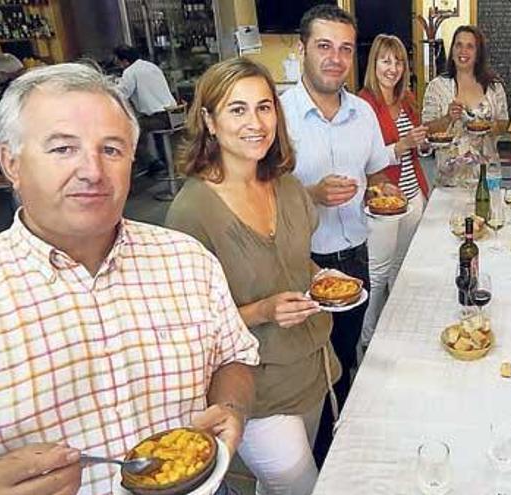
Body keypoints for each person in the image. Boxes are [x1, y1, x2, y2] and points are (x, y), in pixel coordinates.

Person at [0, 63, 258, 495]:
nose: (92, 172)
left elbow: (234, 357)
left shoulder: (186, 260)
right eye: (63, 149)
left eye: (112, 150)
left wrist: (230, 407)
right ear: (11, 163)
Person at [165, 58, 338, 495]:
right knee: (302, 485)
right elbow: (191, 328)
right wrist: (263, 310)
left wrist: (323, 277)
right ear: (208, 120)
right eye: (237, 109)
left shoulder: (286, 185)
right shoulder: (191, 212)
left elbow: (297, 263)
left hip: (312, 365)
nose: (255, 122)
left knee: (281, 483)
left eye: (264, 107)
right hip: (255, 387)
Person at [279, 4, 401, 434]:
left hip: (354, 254)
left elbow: (375, 171)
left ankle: (346, 436)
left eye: (345, 49)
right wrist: (310, 195)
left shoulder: (363, 113)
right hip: (300, 260)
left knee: (346, 351)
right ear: (302, 49)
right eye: (324, 46)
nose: (335, 58)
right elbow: (260, 195)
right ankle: (314, 452)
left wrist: (382, 188)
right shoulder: (276, 115)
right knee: (312, 365)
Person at [357, 34, 429, 355]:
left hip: (413, 196)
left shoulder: (408, 98)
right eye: (386, 60)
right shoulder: (363, 104)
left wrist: (422, 143)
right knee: (377, 274)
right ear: (374, 63)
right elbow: (367, 160)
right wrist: (403, 145)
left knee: (402, 269)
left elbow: (416, 149)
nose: (393, 68)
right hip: (384, 203)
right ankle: (368, 340)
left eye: (399, 61)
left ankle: (396, 330)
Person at [422, 25, 508, 162]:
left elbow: (504, 125)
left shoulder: (494, 87)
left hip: (487, 172)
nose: (463, 51)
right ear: (452, 50)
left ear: (478, 53)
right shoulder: (437, 87)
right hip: (449, 175)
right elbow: (426, 130)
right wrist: (447, 118)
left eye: (470, 46)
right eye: (458, 45)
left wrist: (490, 126)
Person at [114, 44, 177, 174]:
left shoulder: (130, 71)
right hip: (173, 114)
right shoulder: (151, 66)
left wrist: (112, 86)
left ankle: (151, 163)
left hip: (159, 118)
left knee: (131, 130)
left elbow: (121, 93)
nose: (119, 65)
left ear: (125, 61)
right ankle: (165, 163)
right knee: (146, 125)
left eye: (119, 61)